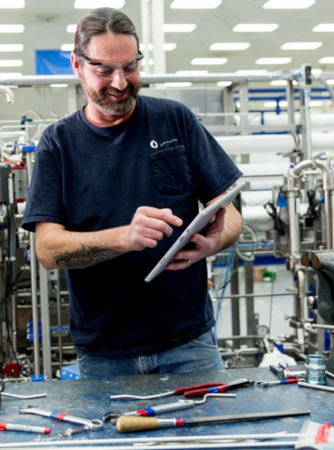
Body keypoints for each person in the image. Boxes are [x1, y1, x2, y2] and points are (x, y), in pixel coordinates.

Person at [21, 8, 243, 378]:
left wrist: (214, 241)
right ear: (77, 67)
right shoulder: (58, 144)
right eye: (104, 70)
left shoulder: (176, 120)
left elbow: (228, 208)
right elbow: (47, 249)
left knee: (206, 436)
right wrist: (125, 237)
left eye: (130, 67)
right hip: (106, 353)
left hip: (190, 344)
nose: (121, 83)